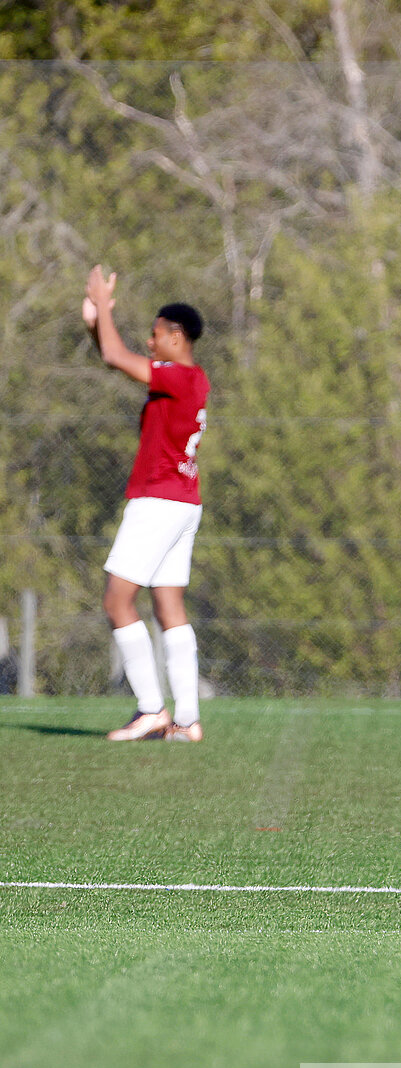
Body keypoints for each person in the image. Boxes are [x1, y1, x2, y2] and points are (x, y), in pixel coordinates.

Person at [83, 265, 210, 742]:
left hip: (158, 500)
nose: (151, 343)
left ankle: (152, 709)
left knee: (117, 601)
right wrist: (97, 320)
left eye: (156, 335)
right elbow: (111, 352)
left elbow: (116, 355)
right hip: (183, 503)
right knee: (169, 606)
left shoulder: (177, 378)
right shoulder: (191, 380)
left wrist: (100, 301)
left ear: (177, 337)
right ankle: (187, 721)